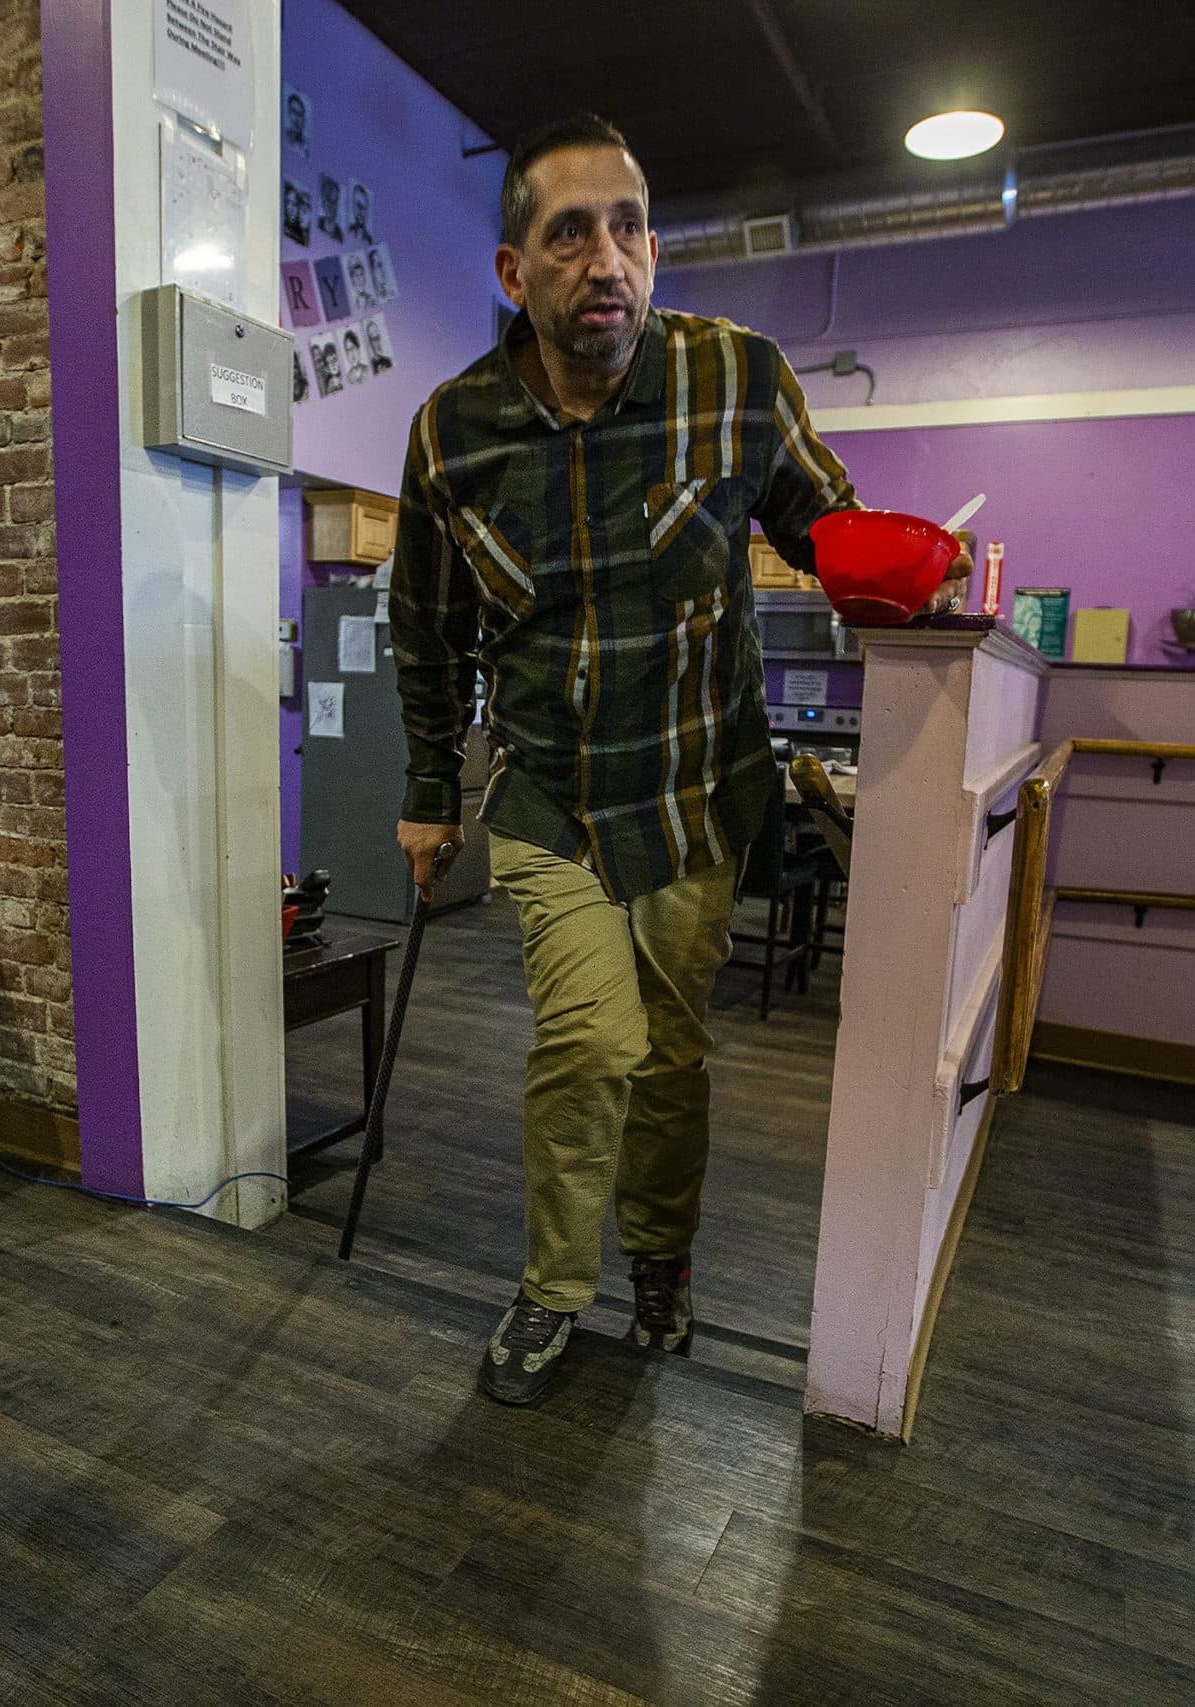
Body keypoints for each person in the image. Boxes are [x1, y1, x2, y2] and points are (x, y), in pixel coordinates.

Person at [387, 113, 966, 1406]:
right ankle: (550, 1293)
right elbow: (424, 633)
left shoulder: (738, 379)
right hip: (553, 800)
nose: (610, 257)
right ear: (512, 271)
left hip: (702, 794)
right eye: (570, 231)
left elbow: (825, 519)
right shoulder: (452, 433)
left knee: (670, 1058)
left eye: (630, 227)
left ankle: (663, 1262)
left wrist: (893, 562)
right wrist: (430, 797)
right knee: (589, 1043)